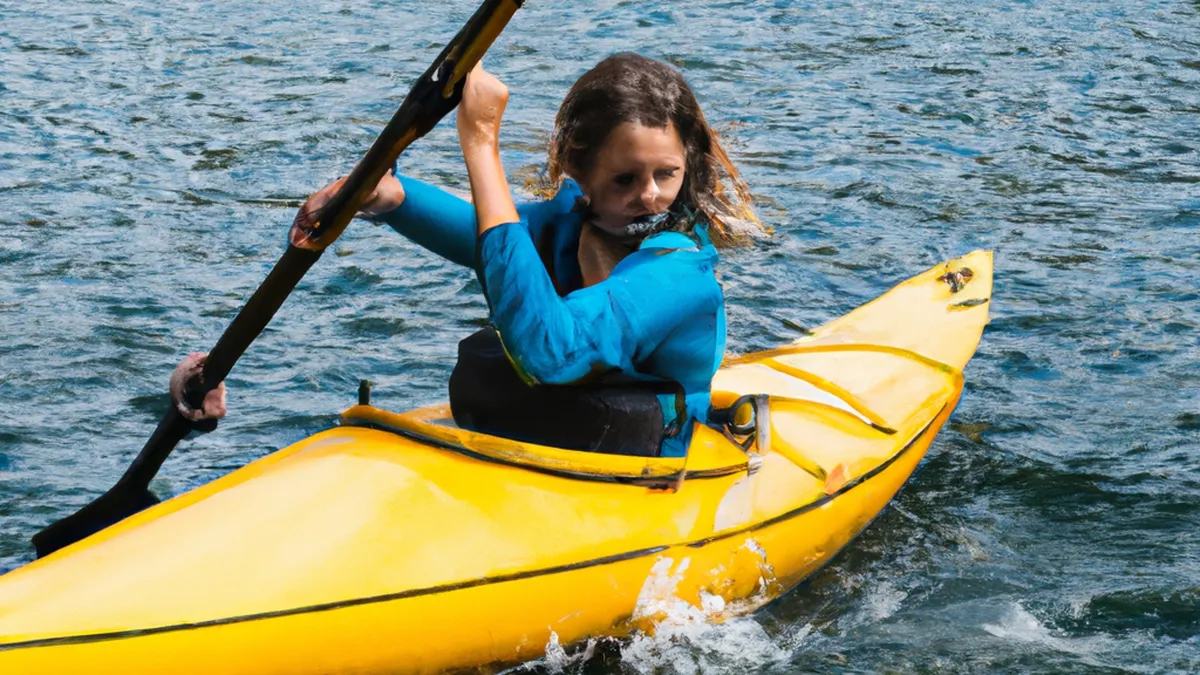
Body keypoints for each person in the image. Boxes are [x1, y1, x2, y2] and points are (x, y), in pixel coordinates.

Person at [178, 52, 765, 458]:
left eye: (667, 174)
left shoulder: (677, 272)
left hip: (647, 474)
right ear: (579, 175)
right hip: (540, 452)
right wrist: (391, 198)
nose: (649, 196)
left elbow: (551, 353)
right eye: (624, 179)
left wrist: (481, 143)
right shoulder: (572, 225)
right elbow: (485, 235)